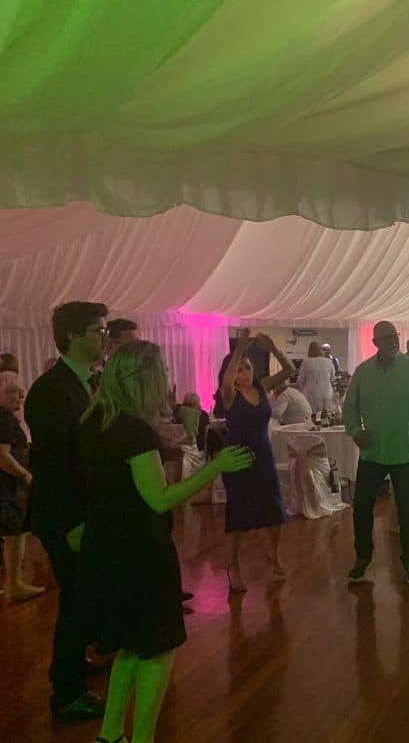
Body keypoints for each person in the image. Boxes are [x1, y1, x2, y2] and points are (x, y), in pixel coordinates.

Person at [78, 341, 253, 743]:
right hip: (140, 551)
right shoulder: (133, 430)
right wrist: (216, 466)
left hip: (106, 545)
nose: (167, 381)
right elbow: (159, 499)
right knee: (158, 648)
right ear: (146, 378)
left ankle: (110, 735)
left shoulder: (94, 420)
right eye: (162, 373)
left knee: (129, 644)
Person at [24, 300, 108, 722]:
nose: (104, 338)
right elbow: (53, 466)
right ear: (72, 335)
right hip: (64, 515)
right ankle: (66, 692)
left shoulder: (85, 382)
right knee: (75, 599)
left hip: (82, 510)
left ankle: (74, 662)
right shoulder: (51, 391)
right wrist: (74, 523)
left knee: (84, 596)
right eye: (98, 331)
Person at [343, 320, 409, 586]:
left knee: (407, 509)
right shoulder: (363, 372)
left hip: (404, 452)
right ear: (375, 342)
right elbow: (349, 407)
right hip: (372, 453)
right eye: (386, 337)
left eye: (395, 336)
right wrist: (355, 431)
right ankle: (362, 557)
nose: (393, 341)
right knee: (361, 507)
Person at [215, 329, 294, 593]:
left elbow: (289, 370)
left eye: (247, 367)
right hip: (238, 458)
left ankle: (274, 553)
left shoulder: (261, 387)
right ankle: (233, 564)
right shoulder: (229, 394)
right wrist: (239, 350)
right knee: (239, 512)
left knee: (274, 507)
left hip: (263, 454)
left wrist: (274, 350)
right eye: (239, 369)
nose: (244, 373)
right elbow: (227, 383)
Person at [0, 371, 44, 601]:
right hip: (8, 487)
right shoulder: (3, 417)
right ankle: (14, 585)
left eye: (20, 392)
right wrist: (26, 475)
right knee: (15, 533)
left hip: (9, 486)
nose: (18, 396)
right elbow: (2, 456)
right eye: (11, 392)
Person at [297, 341, 338, 413]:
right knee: (326, 414)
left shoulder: (306, 362)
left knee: (311, 415)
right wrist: (335, 393)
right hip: (326, 393)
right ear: (320, 350)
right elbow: (333, 380)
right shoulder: (328, 362)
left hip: (310, 394)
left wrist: (302, 394)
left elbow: (300, 381)